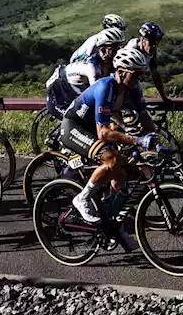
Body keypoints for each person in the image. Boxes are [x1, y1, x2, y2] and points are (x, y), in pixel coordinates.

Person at [59, 47, 158, 228]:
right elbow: (103, 133)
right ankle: (82, 198)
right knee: (112, 157)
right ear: (120, 72)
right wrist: (138, 140)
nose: (138, 79)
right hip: (74, 127)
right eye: (134, 75)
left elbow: (144, 117)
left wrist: (155, 140)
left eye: (140, 75)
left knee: (122, 168)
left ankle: (109, 219)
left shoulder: (132, 89)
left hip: (93, 127)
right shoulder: (106, 86)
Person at [45, 28, 125, 113]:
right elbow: (98, 95)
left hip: (76, 88)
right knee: (79, 118)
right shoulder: (91, 67)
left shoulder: (110, 62)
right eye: (115, 48)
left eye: (121, 46)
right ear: (103, 50)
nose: (119, 51)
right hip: (59, 91)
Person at [125, 22, 170, 105]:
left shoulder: (152, 51)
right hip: (122, 84)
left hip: (134, 83)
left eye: (157, 42)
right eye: (151, 42)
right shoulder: (131, 50)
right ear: (142, 39)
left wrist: (163, 97)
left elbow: (155, 74)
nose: (154, 46)